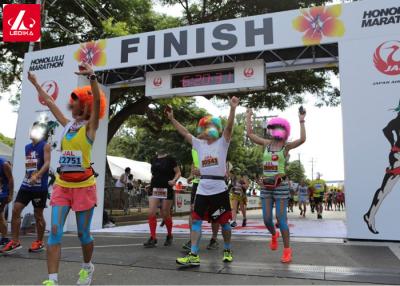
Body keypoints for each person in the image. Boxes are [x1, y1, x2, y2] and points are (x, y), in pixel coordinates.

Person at [28, 62, 107, 286]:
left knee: (84, 235)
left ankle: (87, 267)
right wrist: (35, 83)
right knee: (54, 232)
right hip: (63, 185)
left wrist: (92, 76)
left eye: (77, 103)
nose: (72, 106)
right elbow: (50, 102)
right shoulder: (66, 126)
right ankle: (52, 280)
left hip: (84, 187)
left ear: (87, 106)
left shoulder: (90, 128)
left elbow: (99, 100)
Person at [168, 96, 239, 266]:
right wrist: (172, 119)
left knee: (224, 224)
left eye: (211, 126)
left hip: (219, 190)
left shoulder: (223, 142)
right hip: (202, 189)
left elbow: (229, 127)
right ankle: (194, 255)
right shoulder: (199, 144)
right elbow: (184, 132)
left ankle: (227, 249)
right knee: (196, 220)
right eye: (205, 126)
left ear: (216, 128)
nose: (208, 129)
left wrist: (233, 108)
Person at [246, 107, 306, 264]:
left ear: (284, 130)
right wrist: (248, 116)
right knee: (266, 219)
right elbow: (251, 135)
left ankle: (287, 250)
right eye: (273, 127)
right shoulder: (266, 143)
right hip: (265, 187)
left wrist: (301, 120)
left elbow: (302, 139)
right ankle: (274, 234)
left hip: (281, 187)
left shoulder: (286, 146)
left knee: (281, 219)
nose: (275, 130)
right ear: (270, 129)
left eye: (279, 127)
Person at [2, 122, 51, 254]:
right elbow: (30, 166)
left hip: (40, 187)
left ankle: (39, 242)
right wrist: (29, 177)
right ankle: (15, 241)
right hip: (26, 185)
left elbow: (47, 163)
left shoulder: (45, 146)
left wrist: (38, 175)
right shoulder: (27, 147)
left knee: (38, 215)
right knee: (16, 210)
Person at [143, 145, 181, 248]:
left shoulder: (170, 159)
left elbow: (178, 172)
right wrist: (150, 184)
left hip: (166, 188)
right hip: (155, 188)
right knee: (151, 212)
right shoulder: (153, 159)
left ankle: (169, 235)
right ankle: (153, 237)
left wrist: (174, 181)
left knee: (165, 213)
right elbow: (154, 174)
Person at [183, 149, 220, 252]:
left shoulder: (215, 147)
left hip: (212, 183)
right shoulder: (194, 149)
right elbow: (194, 163)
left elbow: (219, 167)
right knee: (193, 212)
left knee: (214, 214)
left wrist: (203, 172)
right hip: (197, 183)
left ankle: (214, 239)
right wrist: (191, 175)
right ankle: (193, 240)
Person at [0, 158, 14, 246]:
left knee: (0, 216)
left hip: (3, 194)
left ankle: (4, 238)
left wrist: (11, 195)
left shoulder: (4, 164)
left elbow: (11, 179)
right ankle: (4, 238)